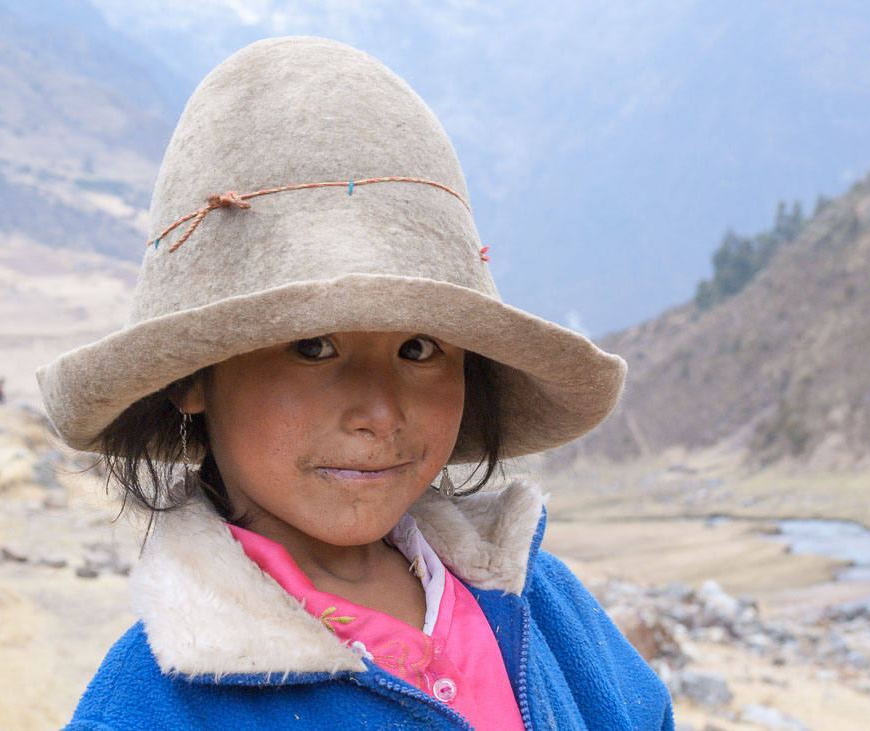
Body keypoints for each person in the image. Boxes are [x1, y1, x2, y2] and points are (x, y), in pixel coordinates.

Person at [37, 37, 673, 730]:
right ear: (193, 377)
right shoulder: (156, 707)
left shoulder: (541, 605)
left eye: (420, 347)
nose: (379, 412)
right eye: (313, 347)